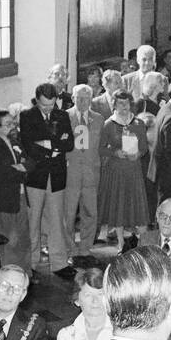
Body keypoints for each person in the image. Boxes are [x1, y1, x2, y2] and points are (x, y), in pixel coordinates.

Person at [19, 83, 75, 278]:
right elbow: (28, 145)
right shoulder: (27, 116)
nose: (48, 109)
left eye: (51, 105)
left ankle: (59, 263)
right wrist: (53, 147)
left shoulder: (62, 115)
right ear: (36, 101)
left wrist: (46, 143)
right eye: (44, 106)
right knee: (33, 220)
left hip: (57, 175)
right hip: (36, 175)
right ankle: (31, 263)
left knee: (57, 219)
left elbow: (69, 144)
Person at [98, 91, 151, 252]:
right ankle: (121, 244)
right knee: (119, 207)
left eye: (126, 103)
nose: (123, 107)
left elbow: (144, 148)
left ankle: (145, 244)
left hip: (134, 171)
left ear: (130, 104)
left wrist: (139, 154)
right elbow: (100, 148)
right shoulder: (108, 124)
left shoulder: (139, 123)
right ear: (114, 105)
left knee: (138, 209)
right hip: (116, 171)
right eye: (120, 103)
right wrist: (114, 153)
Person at [0, 110, 31, 275]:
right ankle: (10, 275)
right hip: (4, 198)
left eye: (13, 123)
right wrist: (20, 170)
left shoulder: (15, 142)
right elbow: (0, 173)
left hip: (20, 195)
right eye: (8, 124)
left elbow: (31, 162)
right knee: (10, 239)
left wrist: (21, 168)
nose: (13, 126)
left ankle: (25, 273)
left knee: (23, 237)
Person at [65, 84, 104, 264]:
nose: (82, 102)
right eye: (79, 98)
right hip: (70, 173)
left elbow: (102, 147)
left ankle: (85, 248)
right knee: (69, 214)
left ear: (91, 99)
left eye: (86, 98)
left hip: (91, 173)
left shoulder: (98, 119)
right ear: (73, 98)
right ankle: (70, 249)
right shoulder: (65, 117)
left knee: (90, 212)